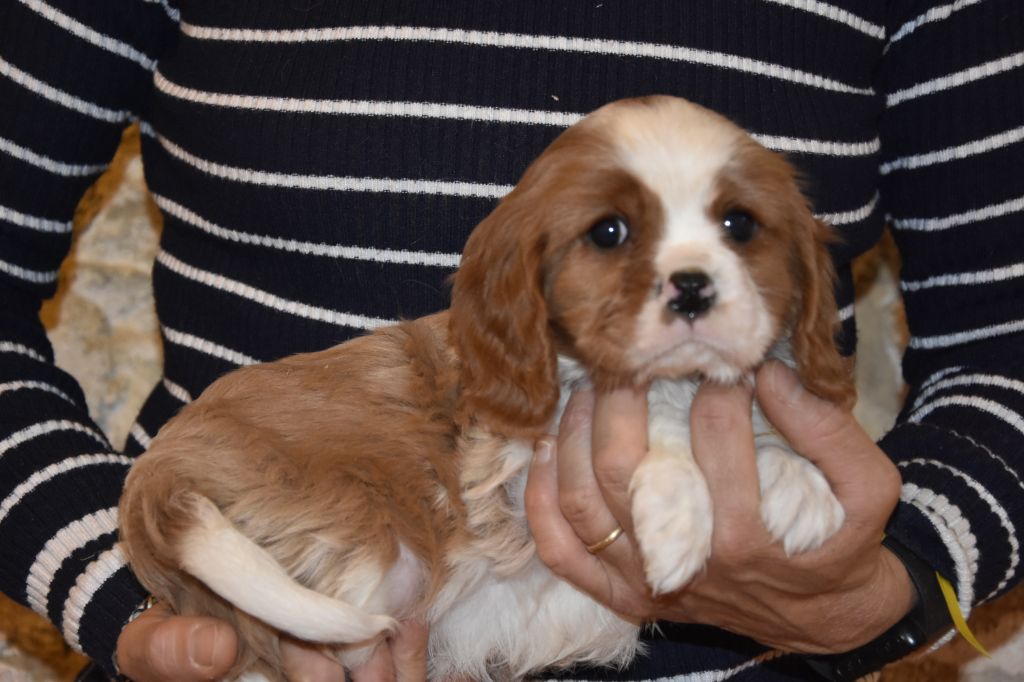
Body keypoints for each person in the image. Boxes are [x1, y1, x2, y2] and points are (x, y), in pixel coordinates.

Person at [1, 1, 1022, 680]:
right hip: (269, 595)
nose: (687, 271)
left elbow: (1004, 361)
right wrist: (135, 597)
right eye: (609, 235)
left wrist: (896, 581)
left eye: (738, 224)